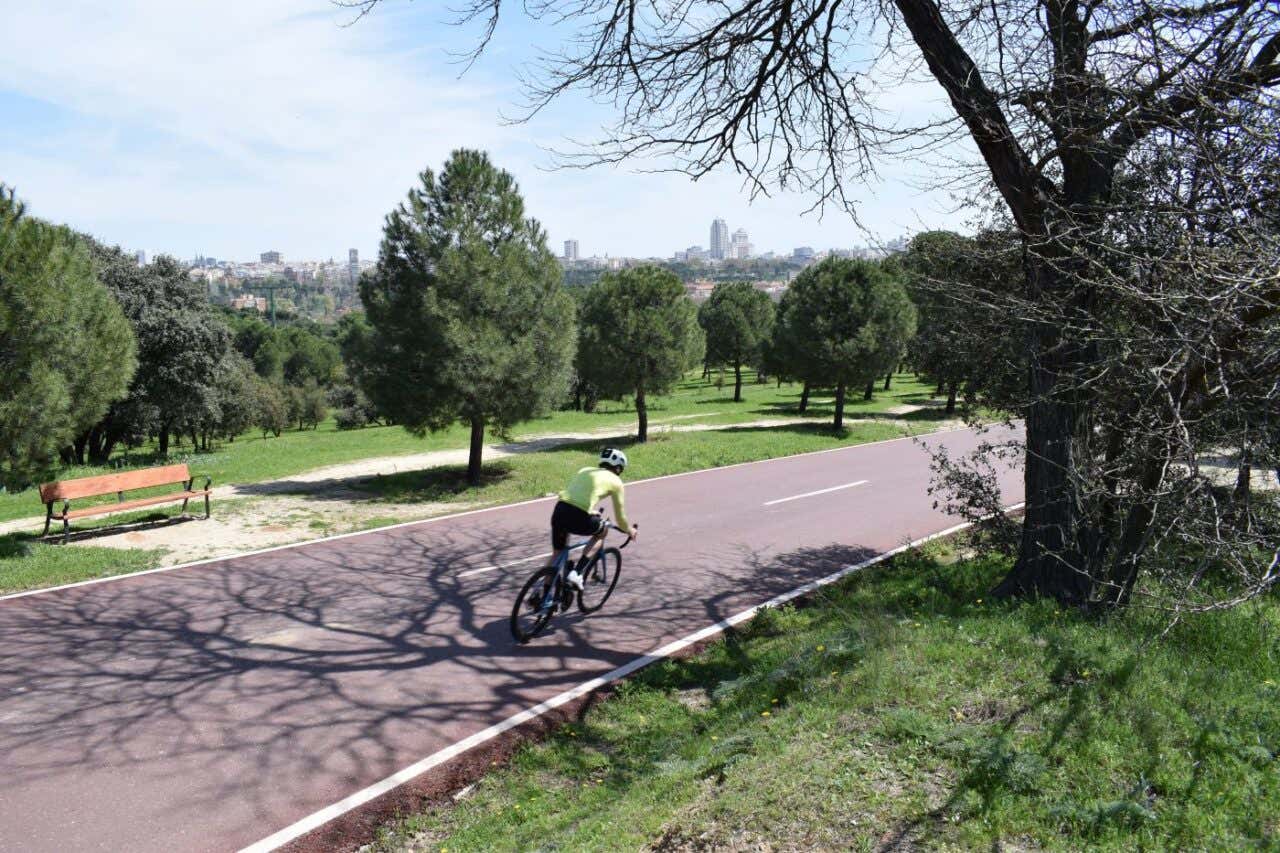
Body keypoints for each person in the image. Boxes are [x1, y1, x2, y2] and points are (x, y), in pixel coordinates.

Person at [550, 447, 638, 589]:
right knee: (602, 532)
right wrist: (629, 530)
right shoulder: (616, 482)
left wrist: (590, 511)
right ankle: (577, 573)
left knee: (557, 553)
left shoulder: (585, 470)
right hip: (578, 514)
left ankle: (541, 595)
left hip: (560, 509)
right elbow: (620, 518)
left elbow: (573, 496)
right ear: (618, 468)